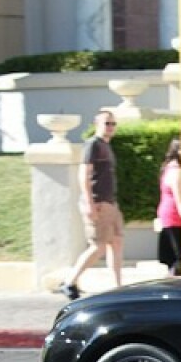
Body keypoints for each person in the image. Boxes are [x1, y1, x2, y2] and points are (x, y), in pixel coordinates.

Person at [61, 111, 123, 300]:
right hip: (98, 202)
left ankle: (118, 287)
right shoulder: (93, 145)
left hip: (110, 202)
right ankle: (70, 282)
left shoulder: (106, 146)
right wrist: (89, 202)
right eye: (107, 123)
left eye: (113, 123)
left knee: (117, 241)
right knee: (98, 246)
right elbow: (84, 174)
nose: (110, 127)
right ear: (97, 124)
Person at [156, 138, 181, 277]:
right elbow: (179, 199)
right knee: (178, 258)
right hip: (175, 217)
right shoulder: (176, 171)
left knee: (174, 259)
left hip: (168, 217)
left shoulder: (169, 167)